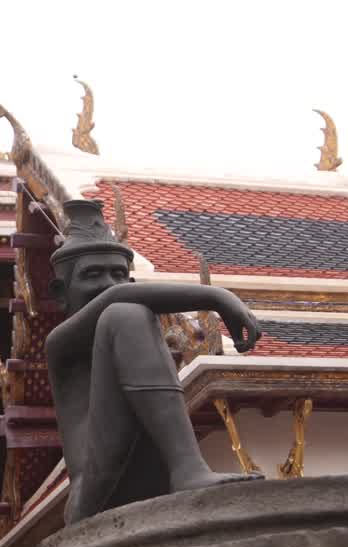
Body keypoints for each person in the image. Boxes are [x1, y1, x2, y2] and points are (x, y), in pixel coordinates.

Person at [45, 199, 263, 523]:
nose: (107, 283)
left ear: (131, 284)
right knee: (123, 315)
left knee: (129, 315)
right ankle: (188, 469)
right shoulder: (60, 344)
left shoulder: (133, 325)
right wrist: (218, 297)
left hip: (152, 476)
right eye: (92, 274)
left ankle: (187, 470)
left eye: (118, 274)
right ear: (60, 293)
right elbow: (114, 300)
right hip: (95, 490)